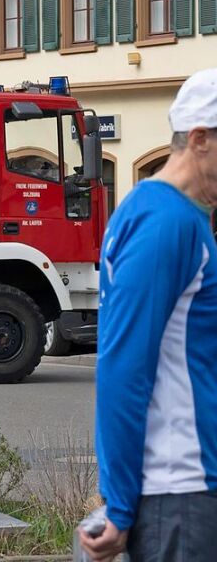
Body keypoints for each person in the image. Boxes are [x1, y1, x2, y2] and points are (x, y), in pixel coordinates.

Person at [80, 69, 217, 562]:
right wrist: (118, 507)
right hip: (180, 492)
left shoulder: (168, 214)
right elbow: (123, 365)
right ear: (200, 139)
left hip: (186, 492)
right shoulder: (166, 222)